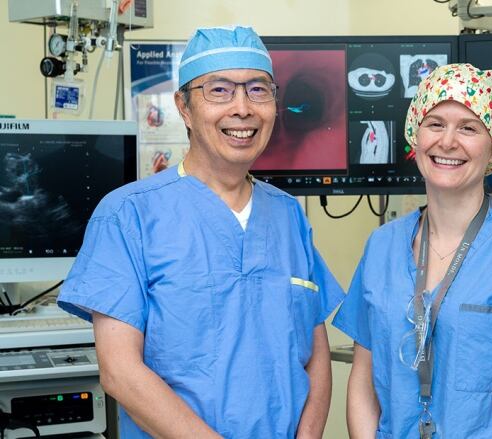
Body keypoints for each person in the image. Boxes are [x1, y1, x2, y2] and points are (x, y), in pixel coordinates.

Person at [57, 25, 343, 438]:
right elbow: (120, 372)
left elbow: (315, 354)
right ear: (184, 108)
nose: (242, 108)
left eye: (258, 90)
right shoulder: (128, 215)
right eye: (219, 90)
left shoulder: (288, 215)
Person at [333, 63, 492, 438]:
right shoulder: (382, 245)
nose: (448, 141)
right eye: (435, 124)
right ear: (415, 136)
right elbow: (362, 382)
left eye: (469, 127)